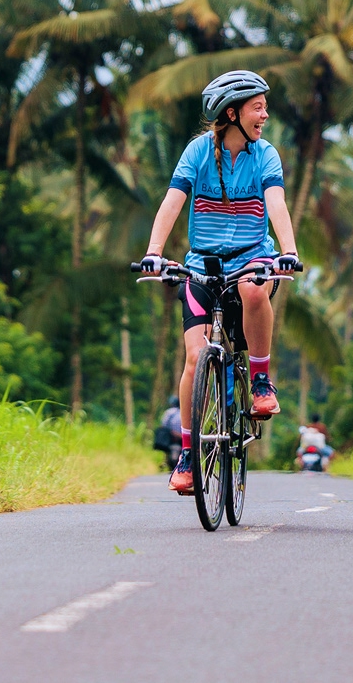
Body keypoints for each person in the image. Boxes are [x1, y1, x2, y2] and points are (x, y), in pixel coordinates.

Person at [138, 70, 303, 494]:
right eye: (258, 107)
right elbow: (172, 203)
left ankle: (262, 381)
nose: (265, 114)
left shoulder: (265, 154)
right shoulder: (196, 153)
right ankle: (190, 457)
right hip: (203, 267)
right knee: (194, 359)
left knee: (252, 288)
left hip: (253, 259)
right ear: (232, 112)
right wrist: (155, 252)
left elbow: (277, 203)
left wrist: (288, 250)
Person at [154, 398, 183, 472]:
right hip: (182, 436)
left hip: (172, 436)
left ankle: (166, 461)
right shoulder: (182, 412)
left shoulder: (168, 412)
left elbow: (164, 425)